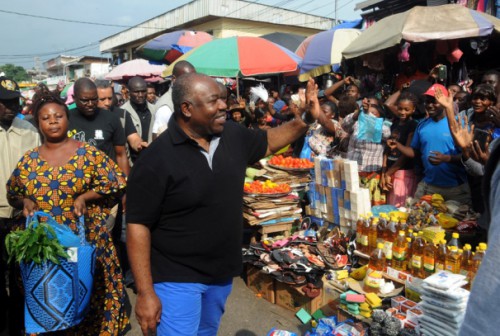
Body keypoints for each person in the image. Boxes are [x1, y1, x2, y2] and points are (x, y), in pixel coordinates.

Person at [126, 73, 320, 336]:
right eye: (213, 101)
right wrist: (146, 293)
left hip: (220, 274)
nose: (223, 106)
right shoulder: (155, 160)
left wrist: (306, 118)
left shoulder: (232, 135)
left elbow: (271, 140)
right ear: (186, 109)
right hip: (176, 277)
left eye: (222, 99)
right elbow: (138, 226)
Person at [6, 92, 129, 335]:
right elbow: (13, 193)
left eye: (58, 116)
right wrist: (25, 201)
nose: (52, 121)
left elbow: (116, 183)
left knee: (87, 298)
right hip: (45, 248)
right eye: (46, 118)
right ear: (38, 123)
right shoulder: (29, 160)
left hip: (83, 241)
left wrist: (85, 197)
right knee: (50, 302)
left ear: (67, 119)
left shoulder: (88, 153)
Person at [0, 76, 41, 334]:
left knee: (19, 278)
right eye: (4, 103)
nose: (10, 107)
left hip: (20, 218)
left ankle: (17, 327)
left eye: (14, 102)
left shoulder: (30, 131)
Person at [390, 84, 470, 204]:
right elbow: (413, 152)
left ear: (444, 102)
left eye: (434, 102)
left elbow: (468, 157)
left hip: (455, 189)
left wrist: (447, 158)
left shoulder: (458, 124)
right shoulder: (422, 125)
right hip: (428, 186)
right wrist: (397, 144)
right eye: (427, 101)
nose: (430, 105)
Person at [68, 78, 130, 176]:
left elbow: (121, 154)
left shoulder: (111, 119)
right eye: (85, 100)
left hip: (107, 181)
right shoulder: (65, 119)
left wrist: (126, 184)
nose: (90, 104)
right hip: (75, 181)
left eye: (94, 99)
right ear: (74, 97)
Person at [382, 92, 419, 207]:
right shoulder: (394, 124)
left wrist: (388, 173)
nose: (403, 112)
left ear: (413, 110)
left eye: (406, 110)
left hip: (403, 174)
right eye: (400, 109)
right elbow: (387, 149)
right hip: (390, 171)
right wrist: (384, 172)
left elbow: (406, 155)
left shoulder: (413, 126)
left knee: (398, 208)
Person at [96, 80, 148, 155]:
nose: (107, 103)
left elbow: (133, 137)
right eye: (102, 99)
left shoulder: (122, 115)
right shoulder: (89, 117)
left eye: (110, 98)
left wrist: (139, 144)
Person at [152, 61, 196, 138]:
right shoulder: (165, 107)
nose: (191, 83)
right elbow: (158, 138)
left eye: (193, 79)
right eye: (186, 79)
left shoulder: (186, 99)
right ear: (174, 79)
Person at [120, 77, 155, 162]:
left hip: (153, 160)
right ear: (129, 93)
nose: (140, 95)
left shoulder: (154, 110)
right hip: (132, 162)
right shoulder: (122, 112)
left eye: (143, 91)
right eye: (136, 92)